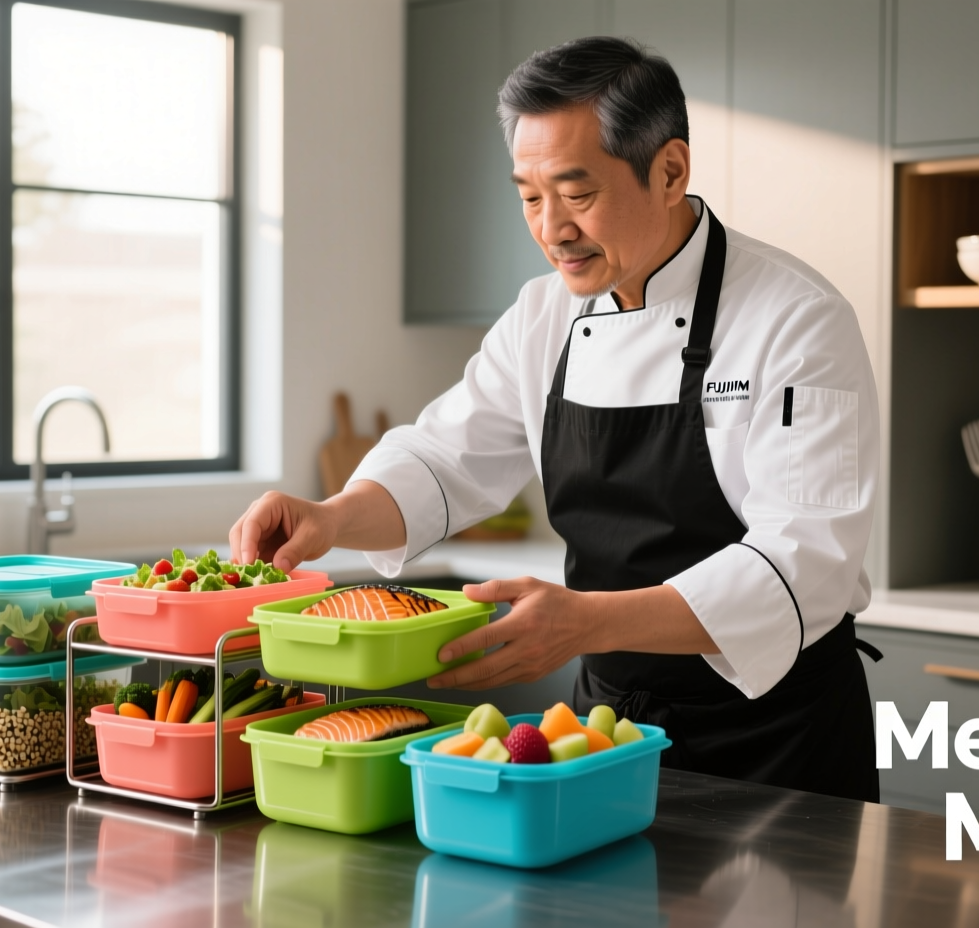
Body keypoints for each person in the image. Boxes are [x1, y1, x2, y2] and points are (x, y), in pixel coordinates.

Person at [231, 36, 880, 800]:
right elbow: (446, 460)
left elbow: (806, 566)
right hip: (605, 735)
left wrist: (588, 622)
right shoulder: (543, 316)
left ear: (670, 171)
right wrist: (334, 516)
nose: (551, 229)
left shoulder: (796, 320)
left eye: (577, 194)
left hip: (777, 742)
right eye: (530, 197)